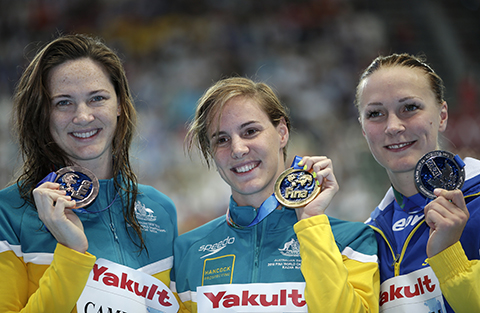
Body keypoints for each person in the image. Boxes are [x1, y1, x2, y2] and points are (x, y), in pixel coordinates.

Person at [0, 34, 179, 312]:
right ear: (42, 113)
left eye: (97, 98)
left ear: (119, 104)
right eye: (63, 102)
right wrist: (72, 253)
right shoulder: (8, 214)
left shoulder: (161, 210)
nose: (82, 116)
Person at [170, 77, 379, 312]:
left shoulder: (352, 241)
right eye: (222, 139)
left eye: (250, 131)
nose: (238, 149)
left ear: (282, 132)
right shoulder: (187, 251)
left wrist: (311, 223)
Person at [355, 53, 480, 312]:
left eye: (409, 107)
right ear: (363, 129)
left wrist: (449, 256)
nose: (393, 126)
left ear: (443, 116)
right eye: (376, 113)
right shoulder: (369, 236)